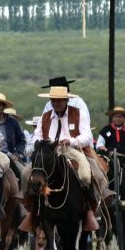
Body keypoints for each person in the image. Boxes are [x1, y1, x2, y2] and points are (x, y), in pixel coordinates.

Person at [20, 85, 106, 233]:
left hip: (72, 150)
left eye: (60, 100)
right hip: (49, 152)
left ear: (66, 100)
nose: (57, 103)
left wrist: (71, 140)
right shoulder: (45, 117)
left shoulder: (78, 114)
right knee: (26, 174)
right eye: (54, 100)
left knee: (90, 175)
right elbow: (38, 135)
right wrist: (41, 143)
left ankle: (90, 210)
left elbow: (87, 136)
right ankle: (31, 211)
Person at [0, 92, 26, 166]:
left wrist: (17, 154)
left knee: (23, 174)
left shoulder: (12, 121)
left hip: (8, 156)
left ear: (4, 107)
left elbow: (21, 140)